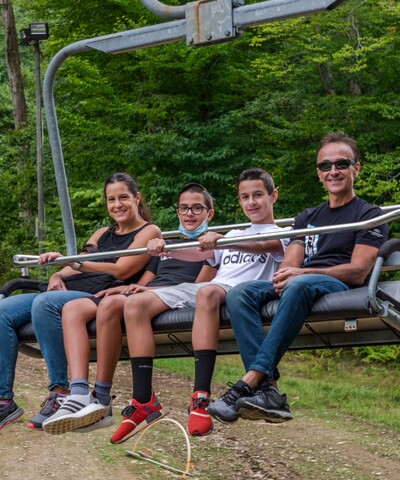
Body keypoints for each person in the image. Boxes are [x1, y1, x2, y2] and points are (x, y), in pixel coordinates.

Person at [207, 131, 388, 424]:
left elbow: (358, 270)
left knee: (299, 283)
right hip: (303, 282)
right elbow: (291, 262)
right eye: (325, 166)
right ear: (319, 174)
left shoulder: (369, 215)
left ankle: (249, 382)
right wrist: (287, 274)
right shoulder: (307, 217)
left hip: (337, 283)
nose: (333, 171)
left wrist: (301, 272)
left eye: (341, 164)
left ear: (356, 168)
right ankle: (268, 390)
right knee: (240, 293)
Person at [109, 168, 289, 444]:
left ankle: (200, 398)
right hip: (212, 288)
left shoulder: (286, 231)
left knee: (206, 293)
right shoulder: (234, 232)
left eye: (257, 195)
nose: (251, 202)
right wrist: (165, 248)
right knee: (135, 304)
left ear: (273, 196)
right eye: (245, 197)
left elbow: (267, 245)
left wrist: (227, 240)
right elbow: (196, 252)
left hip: (242, 292)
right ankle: (142, 398)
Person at [42, 183, 216, 435]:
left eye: (197, 208)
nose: (189, 214)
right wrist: (128, 288)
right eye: (184, 208)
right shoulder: (166, 246)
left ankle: (120, 395)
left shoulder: (209, 245)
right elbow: (147, 278)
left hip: (173, 295)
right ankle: (92, 394)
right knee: (104, 302)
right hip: (149, 293)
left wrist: (143, 291)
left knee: (123, 303)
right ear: (177, 212)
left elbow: (200, 285)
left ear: (208, 214)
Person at [0, 173, 161, 431]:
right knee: (2, 311)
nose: (117, 205)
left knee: (47, 304)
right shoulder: (101, 233)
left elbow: (121, 270)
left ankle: (61, 391)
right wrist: (57, 272)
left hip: (99, 294)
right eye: (111, 200)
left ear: (137, 198)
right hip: (68, 288)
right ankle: (4, 400)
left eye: (123, 197)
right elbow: (78, 263)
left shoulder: (149, 231)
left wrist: (71, 262)